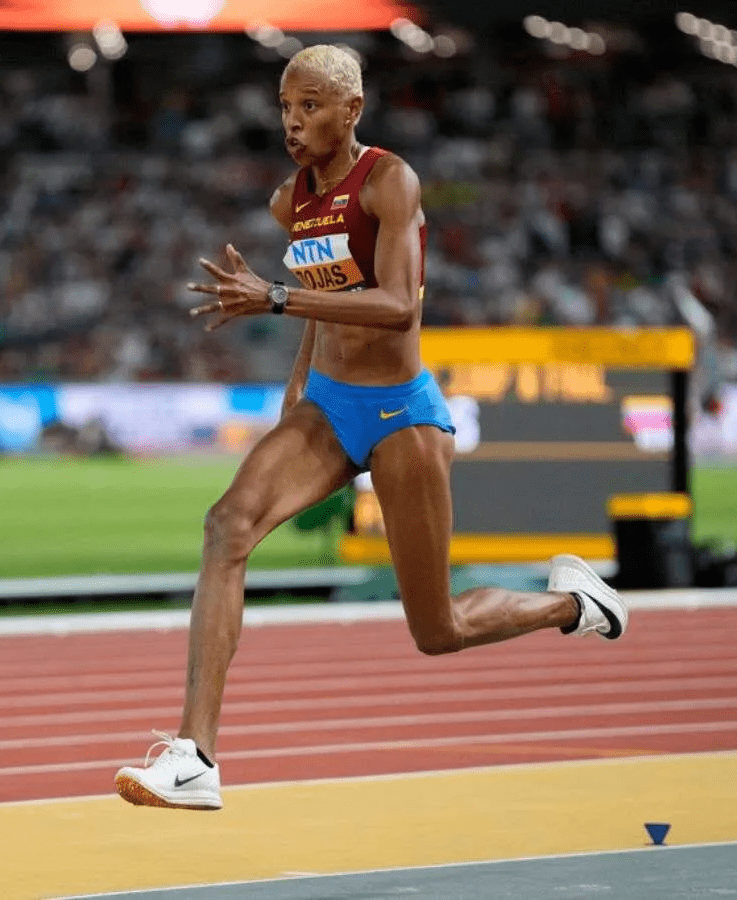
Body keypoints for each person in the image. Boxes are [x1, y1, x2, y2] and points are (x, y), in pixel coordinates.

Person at [114, 45, 626, 811]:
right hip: (329, 407)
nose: (293, 122)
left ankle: (575, 604)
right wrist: (295, 396)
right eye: (285, 107)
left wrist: (277, 297)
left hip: (400, 416)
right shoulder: (290, 202)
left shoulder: (390, 181)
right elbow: (320, 317)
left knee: (437, 630)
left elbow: (397, 307)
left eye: (310, 107)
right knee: (227, 528)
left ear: (351, 111)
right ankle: (195, 758)